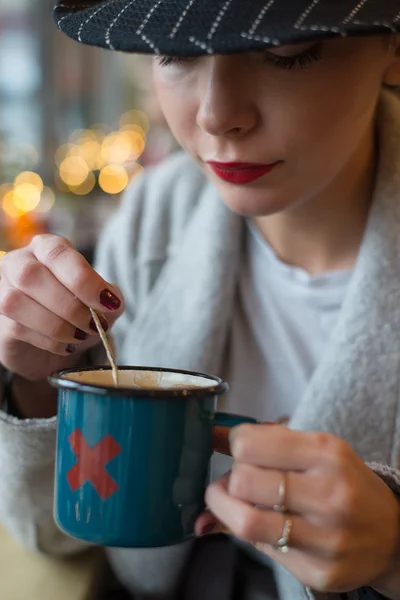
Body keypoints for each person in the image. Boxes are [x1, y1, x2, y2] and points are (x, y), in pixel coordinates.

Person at [1, 1, 400, 599]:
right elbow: (61, 537)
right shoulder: (158, 215)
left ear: (392, 47)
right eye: (177, 53)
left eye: (284, 54)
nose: (217, 115)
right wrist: (35, 381)